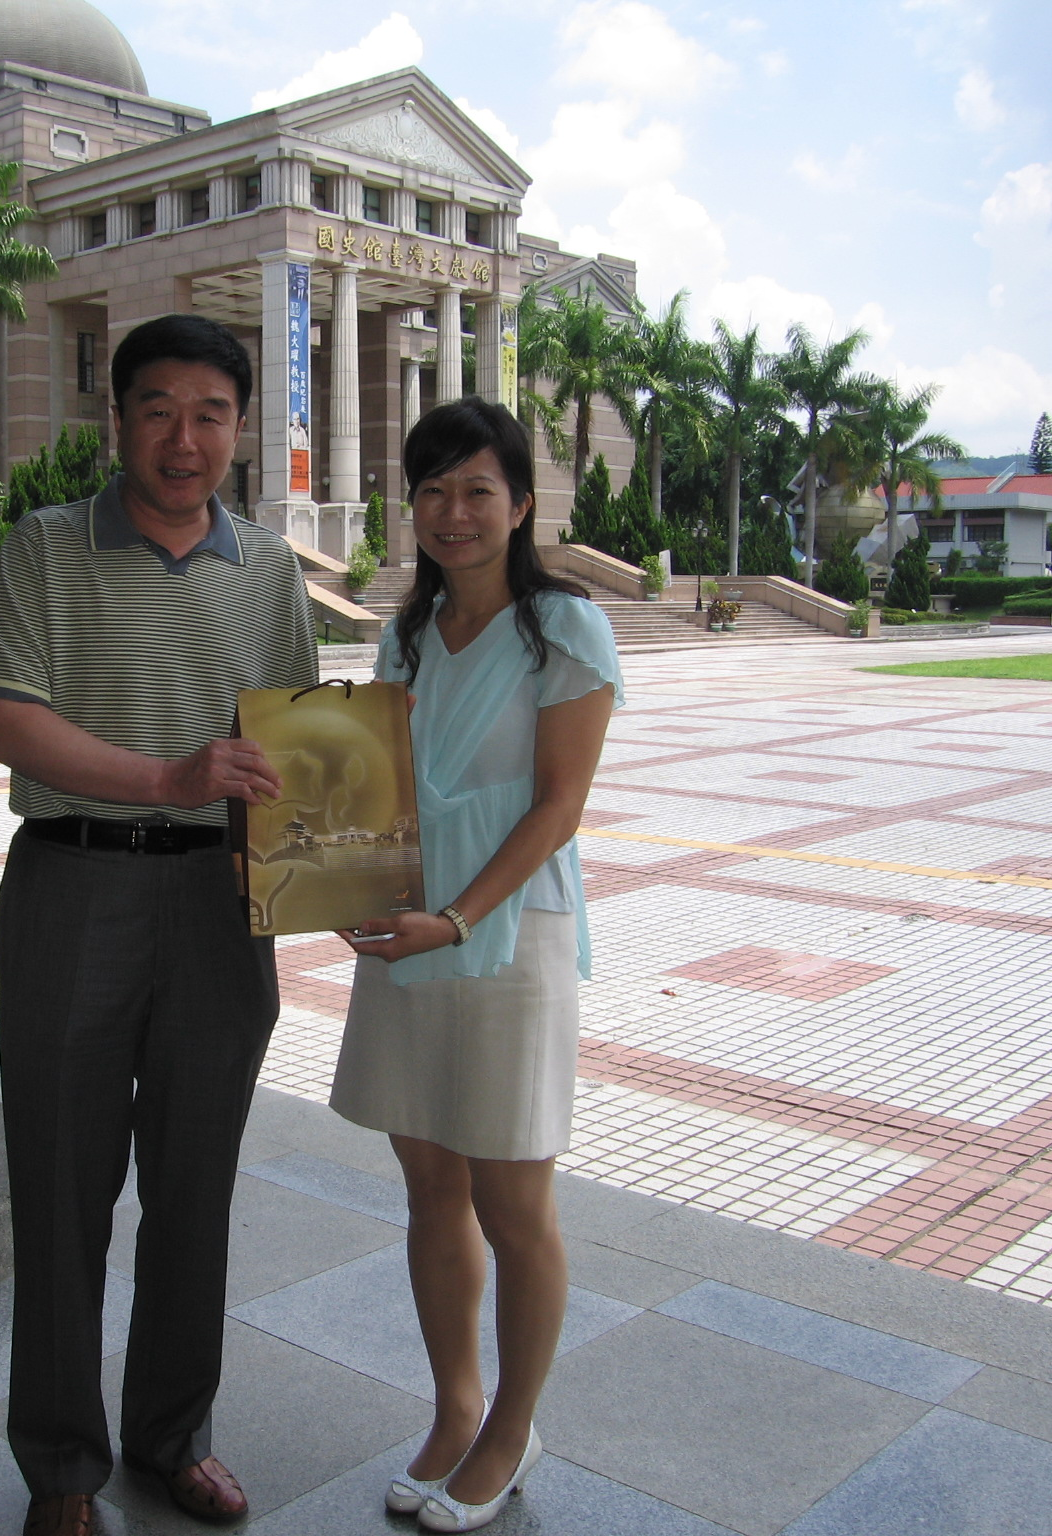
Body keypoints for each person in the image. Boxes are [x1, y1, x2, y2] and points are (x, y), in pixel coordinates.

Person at [0, 313, 319, 1536]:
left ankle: (172, 1436)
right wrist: (168, 777)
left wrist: (348, 875)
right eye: (158, 410)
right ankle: (63, 1466)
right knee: (60, 1186)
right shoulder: (45, 547)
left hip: (222, 904)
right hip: (73, 888)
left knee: (194, 1186)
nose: (184, 439)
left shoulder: (268, 570)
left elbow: (297, 744)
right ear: (115, 418)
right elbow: (5, 721)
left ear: (240, 427)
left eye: (210, 414)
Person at [329, 397, 621, 1532]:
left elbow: (557, 807)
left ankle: (512, 1423)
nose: (453, 513)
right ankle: (454, 1409)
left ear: (522, 505)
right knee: (429, 1181)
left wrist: (455, 919)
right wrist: (342, 883)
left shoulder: (564, 630)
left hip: (506, 930)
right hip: (410, 926)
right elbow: (373, 791)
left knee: (512, 1198)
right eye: (433, 491)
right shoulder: (401, 639)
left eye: (477, 491)